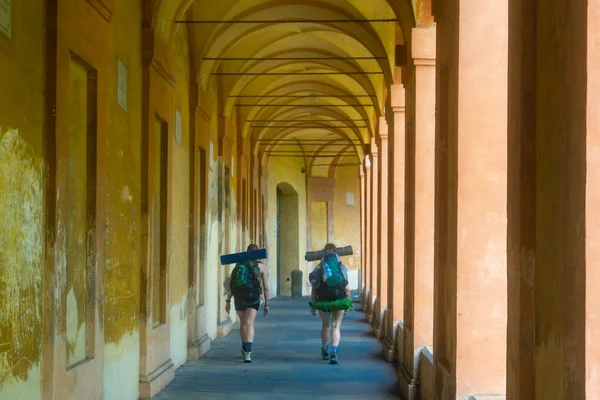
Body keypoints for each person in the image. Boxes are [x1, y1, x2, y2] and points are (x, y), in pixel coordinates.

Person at [225, 243, 270, 363]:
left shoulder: (239, 265)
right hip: (253, 297)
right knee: (250, 322)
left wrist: (228, 301)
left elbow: (231, 284)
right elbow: (266, 287)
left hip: (239, 296)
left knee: (243, 323)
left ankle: (244, 347)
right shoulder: (261, 267)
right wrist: (266, 304)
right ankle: (247, 351)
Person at [309, 243, 350, 365]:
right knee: (336, 326)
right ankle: (334, 352)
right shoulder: (342, 267)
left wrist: (314, 303)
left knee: (326, 325)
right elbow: (346, 287)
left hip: (323, 300)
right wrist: (347, 302)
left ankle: (325, 350)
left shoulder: (318, 268)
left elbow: (315, 288)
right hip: (339, 299)